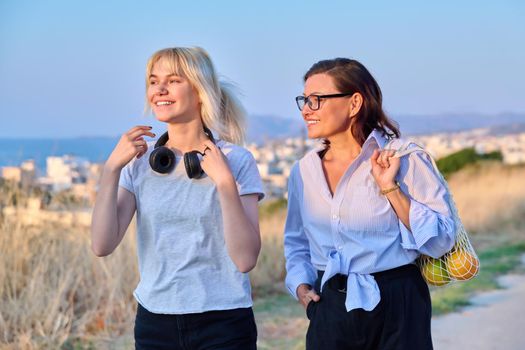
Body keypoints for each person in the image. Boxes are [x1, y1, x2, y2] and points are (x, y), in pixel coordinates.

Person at [91, 47, 264, 350]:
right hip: (155, 322)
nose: (159, 89)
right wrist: (111, 169)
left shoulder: (236, 161)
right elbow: (102, 245)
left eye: (173, 80)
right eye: (153, 80)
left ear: (200, 92)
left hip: (223, 322)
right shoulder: (140, 163)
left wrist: (224, 181)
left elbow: (246, 259)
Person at [284, 58, 456, 349]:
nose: (305, 109)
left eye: (316, 100)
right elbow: (296, 242)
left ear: (354, 104)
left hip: (398, 302)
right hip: (331, 303)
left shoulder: (403, 158)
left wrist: (389, 187)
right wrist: (301, 286)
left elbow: (441, 241)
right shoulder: (303, 171)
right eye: (304, 100)